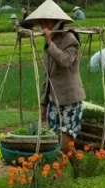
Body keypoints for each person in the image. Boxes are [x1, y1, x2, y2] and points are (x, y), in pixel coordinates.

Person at [24, 0, 85, 155]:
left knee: (65, 144)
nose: (44, 24)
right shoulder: (48, 45)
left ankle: (81, 169)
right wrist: (43, 104)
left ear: (57, 22)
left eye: (48, 21)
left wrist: (49, 42)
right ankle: (61, 174)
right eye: (42, 21)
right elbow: (47, 75)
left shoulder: (70, 39)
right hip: (54, 101)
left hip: (70, 99)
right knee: (53, 144)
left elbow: (65, 60)